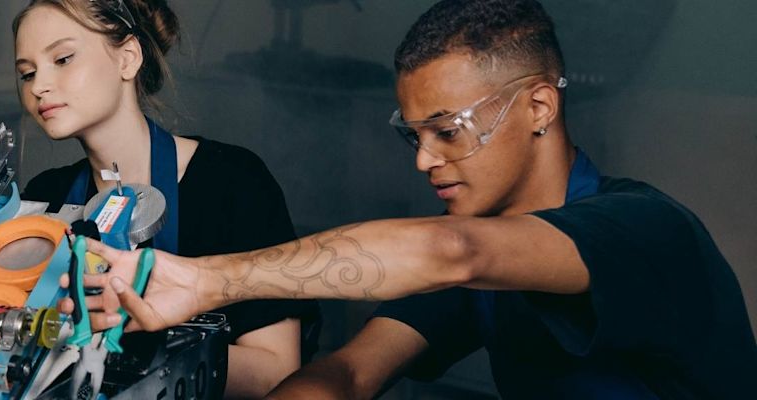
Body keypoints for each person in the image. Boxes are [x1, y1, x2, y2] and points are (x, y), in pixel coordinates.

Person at [72, 0, 757, 398]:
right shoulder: (484, 266)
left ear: (540, 106)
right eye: (414, 134)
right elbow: (348, 372)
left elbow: (450, 252)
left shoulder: (643, 227)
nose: (425, 159)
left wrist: (206, 279)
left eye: (446, 131)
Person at [0, 0, 319, 396]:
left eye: (62, 59)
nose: (38, 85)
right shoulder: (46, 200)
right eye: (26, 73)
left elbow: (274, 371)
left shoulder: (232, 182)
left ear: (127, 59)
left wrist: (129, 338)